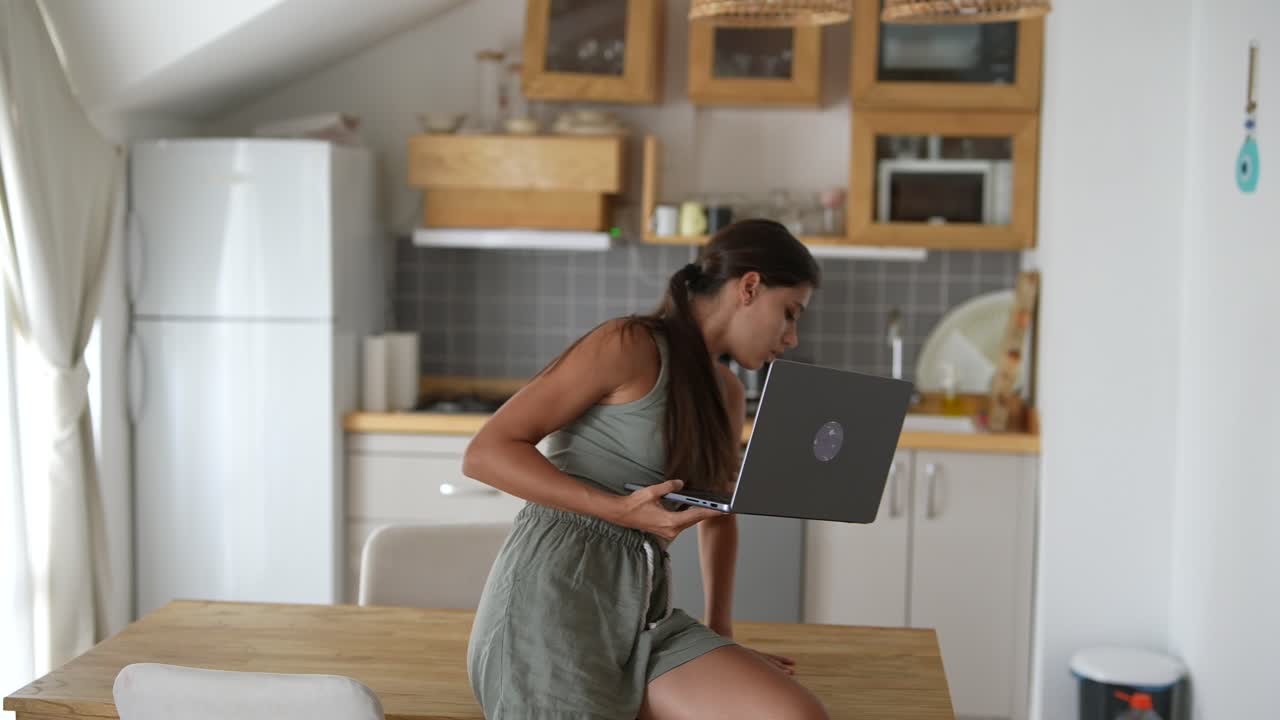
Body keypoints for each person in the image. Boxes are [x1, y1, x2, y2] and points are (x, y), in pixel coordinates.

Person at [464, 219, 828, 720]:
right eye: (789, 313)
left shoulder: (726, 393)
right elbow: (486, 452)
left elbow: (717, 516)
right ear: (749, 286)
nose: (790, 337)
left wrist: (720, 636)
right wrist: (619, 510)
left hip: (645, 616)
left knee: (794, 714)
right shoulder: (629, 344)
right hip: (550, 605)